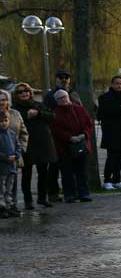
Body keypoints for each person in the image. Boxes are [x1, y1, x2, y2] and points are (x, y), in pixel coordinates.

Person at [12, 82, 57, 209]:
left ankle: (42, 198)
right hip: (27, 144)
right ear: (16, 95)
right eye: (20, 91)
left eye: (26, 91)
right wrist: (27, 116)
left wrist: (39, 113)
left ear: (30, 92)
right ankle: (28, 201)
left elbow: (52, 117)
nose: (24, 93)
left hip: (43, 143)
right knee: (27, 173)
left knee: (43, 172)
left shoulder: (38, 105)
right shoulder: (14, 109)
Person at [49, 89, 93, 203]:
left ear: (68, 97)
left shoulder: (80, 109)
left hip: (82, 144)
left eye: (65, 97)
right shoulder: (55, 113)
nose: (63, 99)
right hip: (64, 147)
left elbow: (89, 123)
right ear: (56, 101)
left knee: (82, 172)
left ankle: (84, 193)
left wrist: (84, 134)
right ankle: (69, 194)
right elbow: (55, 130)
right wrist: (69, 137)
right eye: (60, 98)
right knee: (67, 173)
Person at [97, 75, 121, 190]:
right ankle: (107, 180)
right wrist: (119, 109)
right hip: (112, 131)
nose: (119, 86)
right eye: (117, 83)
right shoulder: (104, 97)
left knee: (120, 157)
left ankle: (117, 180)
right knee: (111, 157)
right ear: (112, 84)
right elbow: (102, 113)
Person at [43, 69, 75, 200]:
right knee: (54, 165)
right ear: (56, 79)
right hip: (55, 136)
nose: (64, 79)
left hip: (73, 134)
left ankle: (73, 190)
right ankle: (53, 192)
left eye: (66, 77)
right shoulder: (50, 96)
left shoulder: (73, 93)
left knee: (72, 164)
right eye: (61, 77)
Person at [0, 90, 28, 210]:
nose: (1, 102)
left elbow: (23, 133)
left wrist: (20, 150)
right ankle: (2, 207)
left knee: (12, 183)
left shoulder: (15, 114)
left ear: (8, 101)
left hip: (13, 156)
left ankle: (12, 205)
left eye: (4, 99)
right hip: (1, 158)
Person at [0, 108, 21, 218]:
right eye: (1, 121)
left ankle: (9, 206)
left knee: (9, 188)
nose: (3, 123)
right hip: (2, 167)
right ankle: (2, 207)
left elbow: (18, 146)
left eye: (5, 120)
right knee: (1, 188)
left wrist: (16, 156)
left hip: (11, 167)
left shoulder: (12, 134)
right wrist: (5, 157)